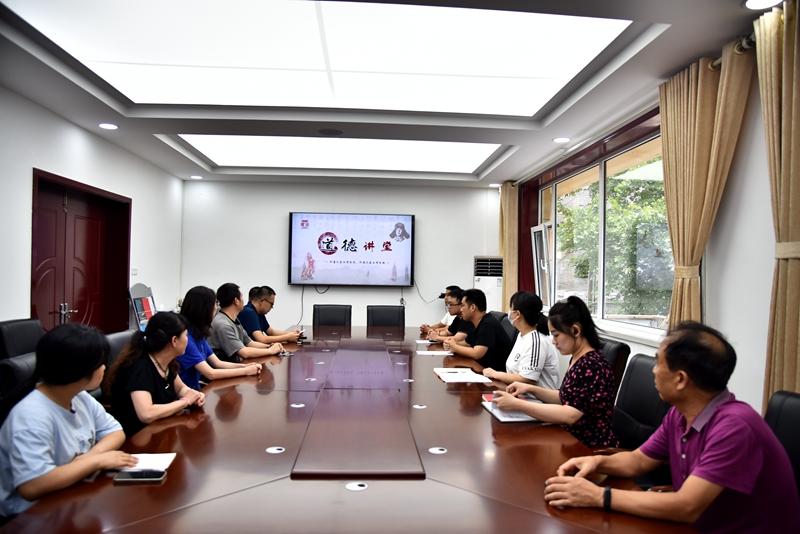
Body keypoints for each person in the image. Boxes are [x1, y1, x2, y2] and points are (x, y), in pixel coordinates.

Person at [543, 322, 800, 532]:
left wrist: (598, 496)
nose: (653, 371)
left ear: (680, 379)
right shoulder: (680, 414)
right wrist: (597, 463)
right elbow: (638, 461)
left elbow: (686, 506)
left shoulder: (735, 427)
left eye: (658, 363)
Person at [0, 324, 137, 516]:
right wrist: (95, 462)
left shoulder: (78, 396)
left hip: (72, 495)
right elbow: (32, 485)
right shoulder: (30, 416)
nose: (104, 367)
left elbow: (115, 432)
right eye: (100, 363)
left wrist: (90, 456)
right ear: (78, 371)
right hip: (31, 515)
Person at [492, 296, 617, 448]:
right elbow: (565, 397)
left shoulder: (591, 364)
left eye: (556, 335)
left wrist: (518, 404)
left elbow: (570, 415)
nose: (553, 341)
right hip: (568, 437)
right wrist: (530, 388)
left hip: (588, 446)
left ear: (575, 330)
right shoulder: (578, 358)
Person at [106, 311, 206, 437]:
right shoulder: (140, 367)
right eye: (186, 335)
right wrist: (185, 402)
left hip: (161, 429)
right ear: (174, 340)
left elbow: (181, 388)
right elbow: (146, 414)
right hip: (137, 437)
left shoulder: (166, 361)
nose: (188, 340)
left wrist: (194, 395)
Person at [177, 286, 262, 390]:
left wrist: (245, 366)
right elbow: (210, 373)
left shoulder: (198, 334)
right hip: (188, 392)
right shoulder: (186, 338)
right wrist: (245, 371)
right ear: (204, 309)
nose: (216, 308)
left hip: (195, 390)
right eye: (215, 304)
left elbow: (218, 363)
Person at [482, 291, 560, 388]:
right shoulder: (522, 334)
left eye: (511, 308)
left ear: (517, 314)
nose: (509, 312)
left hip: (533, 397)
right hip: (516, 392)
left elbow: (527, 379)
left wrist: (495, 374)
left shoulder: (537, 340)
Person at [209, 283, 283, 362]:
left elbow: (249, 343)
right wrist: (270, 351)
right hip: (225, 367)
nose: (244, 301)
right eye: (241, 297)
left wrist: (270, 346)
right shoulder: (223, 324)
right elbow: (244, 352)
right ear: (236, 301)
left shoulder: (234, 319)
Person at [443, 288, 512, 371]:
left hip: (495, 374)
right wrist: (451, 343)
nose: (461, 309)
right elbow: (467, 343)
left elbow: (477, 353)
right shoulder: (475, 323)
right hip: (483, 368)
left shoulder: (488, 323)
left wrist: (454, 347)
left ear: (472, 307)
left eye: (463, 305)